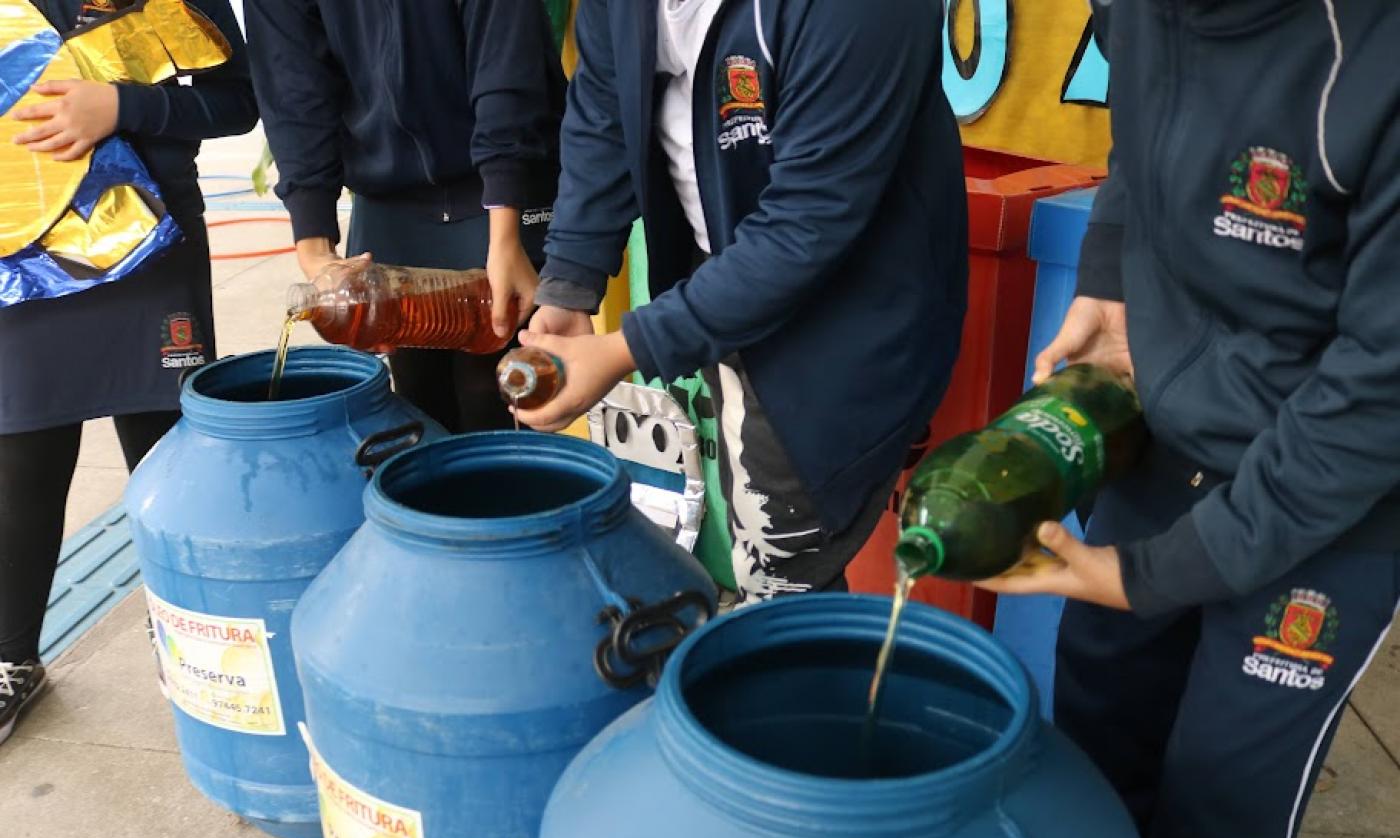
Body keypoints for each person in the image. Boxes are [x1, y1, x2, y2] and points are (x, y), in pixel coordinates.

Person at [984, 2, 1400, 838]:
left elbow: (1381, 393)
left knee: (1219, 809)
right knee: (1097, 736)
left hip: (1333, 504)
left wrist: (1154, 574)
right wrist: (1107, 276)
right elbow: (1141, 136)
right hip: (1168, 437)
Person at [517, 0, 968, 602]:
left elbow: (806, 227)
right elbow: (602, 111)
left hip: (844, 316)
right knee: (736, 535)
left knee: (784, 566)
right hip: (720, 279)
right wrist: (571, 281)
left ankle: (797, 675)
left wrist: (630, 348)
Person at [0, 0, 257, 745]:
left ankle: (186, 626)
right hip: (22, 258)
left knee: (168, 451)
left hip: (152, 239)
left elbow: (241, 100)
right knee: (22, 455)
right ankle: (11, 656)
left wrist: (121, 105)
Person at [244, 0, 566, 434]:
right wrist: (316, 250)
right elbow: (292, 90)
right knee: (420, 404)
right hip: (390, 195)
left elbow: (505, 68)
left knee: (495, 397)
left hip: (503, 184)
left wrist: (505, 232)